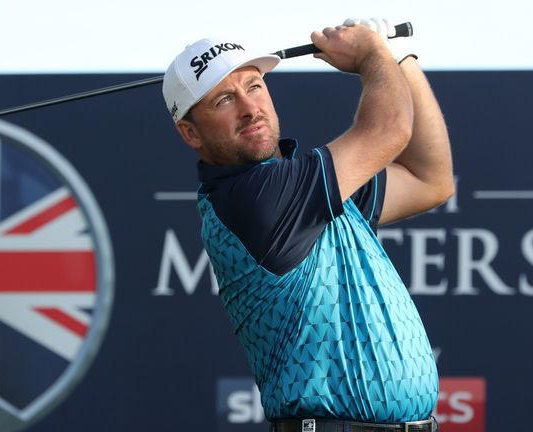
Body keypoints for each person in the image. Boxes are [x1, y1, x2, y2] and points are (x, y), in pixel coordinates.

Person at [162, 18, 453, 432]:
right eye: (223, 99)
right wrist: (373, 54)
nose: (249, 108)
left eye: (254, 85)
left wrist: (399, 58)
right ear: (190, 133)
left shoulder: (304, 191)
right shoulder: (253, 198)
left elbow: (431, 180)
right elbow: (388, 129)